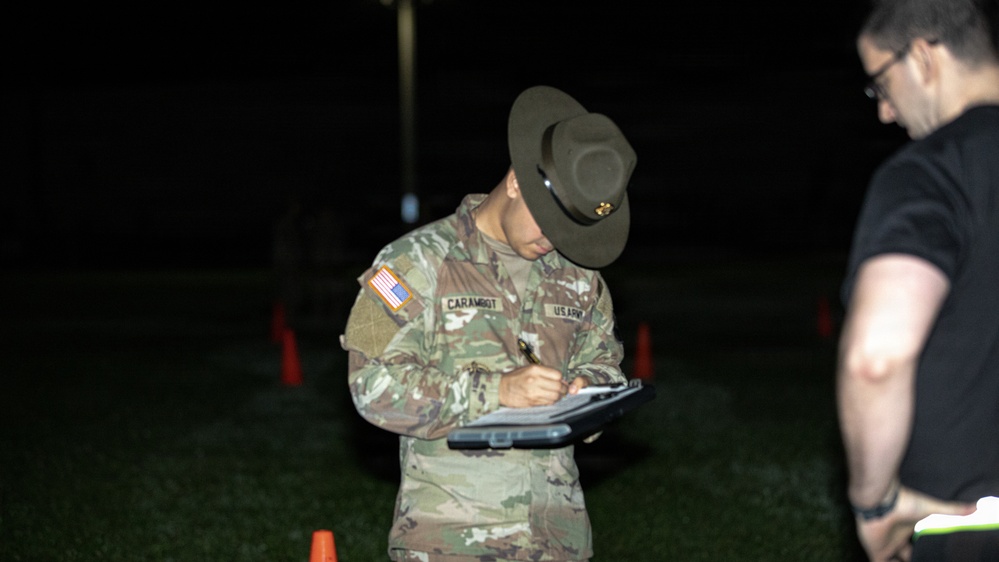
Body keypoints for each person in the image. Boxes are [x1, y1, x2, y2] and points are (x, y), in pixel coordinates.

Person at [341, 85, 636, 561]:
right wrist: (496, 392)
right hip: (452, 540)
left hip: (559, 539)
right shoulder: (414, 263)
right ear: (517, 181)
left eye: (570, 229)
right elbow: (372, 385)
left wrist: (589, 391)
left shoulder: (579, 278)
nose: (554, 241)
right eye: (549, 222)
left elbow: (607, 367)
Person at [836, 0, 999, 560]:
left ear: (924, 58)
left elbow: (876, 358)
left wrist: (874, 504)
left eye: (880, 84)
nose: (884, 112)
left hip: (972, 525)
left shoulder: (934, 171)